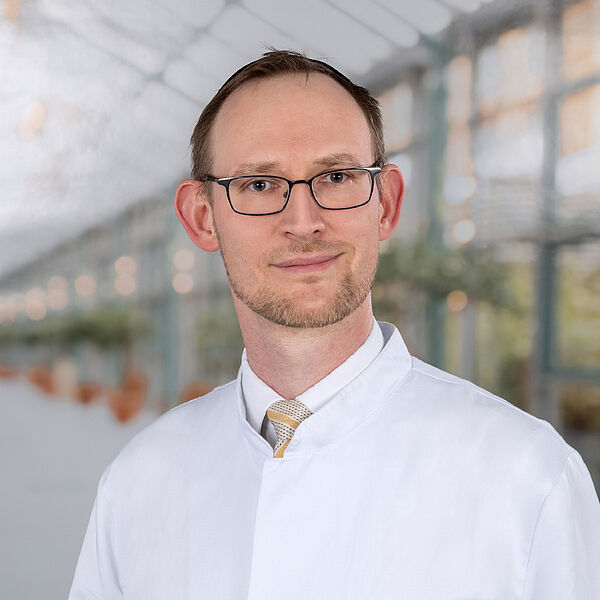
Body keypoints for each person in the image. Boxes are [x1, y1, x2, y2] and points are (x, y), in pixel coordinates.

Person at [69, 50, 600, 599]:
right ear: (202, 217)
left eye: (338, 176)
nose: (303, 223)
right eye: (259, 185)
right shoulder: (138, 482)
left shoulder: (527, 478)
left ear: (386, 204)